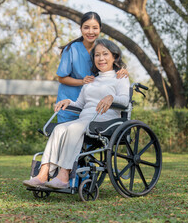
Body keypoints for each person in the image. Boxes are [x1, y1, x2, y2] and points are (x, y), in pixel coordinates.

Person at [23, 39, 130, 189]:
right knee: (59, 128)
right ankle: (43, 173)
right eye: (97, 55)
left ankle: (64, 175)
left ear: (114, 57)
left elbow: (125, 101)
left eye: (105, 54)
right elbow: (80, 104)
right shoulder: (91, 81)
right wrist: (68, 101)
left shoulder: (120, 77)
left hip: (106, 121)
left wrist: (112, 98)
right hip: (86, 119)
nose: (101, 58)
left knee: (74, 128)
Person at [56, 11, 128, 123]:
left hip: (92, 106)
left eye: (95, 28)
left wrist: (121, 71)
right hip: (71, 103)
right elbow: (61, 78)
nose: (90, 32)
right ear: (81, 29)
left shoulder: (101, 50)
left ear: (100, 29)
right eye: (86, 28)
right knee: (66, 135)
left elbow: (109, 71)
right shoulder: (71, 49)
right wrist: (82, 81)